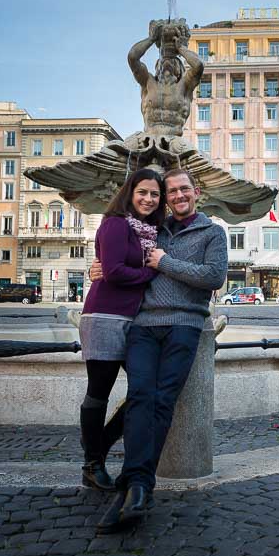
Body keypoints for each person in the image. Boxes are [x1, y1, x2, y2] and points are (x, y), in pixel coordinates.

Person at [93, 168, 227, 532]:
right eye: (172, 192)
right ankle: (137, 485)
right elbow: (117, 261)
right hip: (143, 326)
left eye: (184, 189)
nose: (178, 196)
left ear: (195, 192)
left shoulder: (213, 232)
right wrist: (98, 269)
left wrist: (164, 262)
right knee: (140, 397)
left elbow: (214, 277)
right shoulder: (151, 229)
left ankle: (135, 484)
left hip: (184, 325)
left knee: (163, 400)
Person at [78, 169, 165, 491]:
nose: (148, 199)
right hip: (104, 316)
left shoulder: (153, 232)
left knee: (148, 389)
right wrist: (154, 272)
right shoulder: (116, 223)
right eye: (142, 192)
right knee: (98, 392)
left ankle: (98, 447)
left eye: (155, 194)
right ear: (130, 193)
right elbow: (113, 273)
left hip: (136, 321)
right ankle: (92, 464)